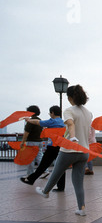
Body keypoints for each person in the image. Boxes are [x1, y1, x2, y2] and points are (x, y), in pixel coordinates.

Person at [35, 85, 93, 216]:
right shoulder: (88, 112)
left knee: (56, 173)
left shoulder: (69, 110)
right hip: (84, 151)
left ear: (70, 97)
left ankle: (45, 192)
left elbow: (71, 124)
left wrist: (72, 138)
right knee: (78, 182)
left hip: (69, 150)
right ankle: (81, 209)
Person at [20, 106, 66, 191]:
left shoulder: (52, 121)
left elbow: (38, 122)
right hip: (60, 147)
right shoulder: (62, 122)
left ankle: (31, 179)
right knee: (61, 167)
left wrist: (28, 120)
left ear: (52, 113)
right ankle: (61, 186)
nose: (50, 114)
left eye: (50, 113)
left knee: (43, 165)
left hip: (52, 147)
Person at [21, 105, 44, 176]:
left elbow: (26, 133)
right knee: (39, 157)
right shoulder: (40, 120)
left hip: (31, 142)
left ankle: (30, 173)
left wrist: (23, 142)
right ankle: (45, 171)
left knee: (30, 158)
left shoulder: (30, 121)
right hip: (40, 141)